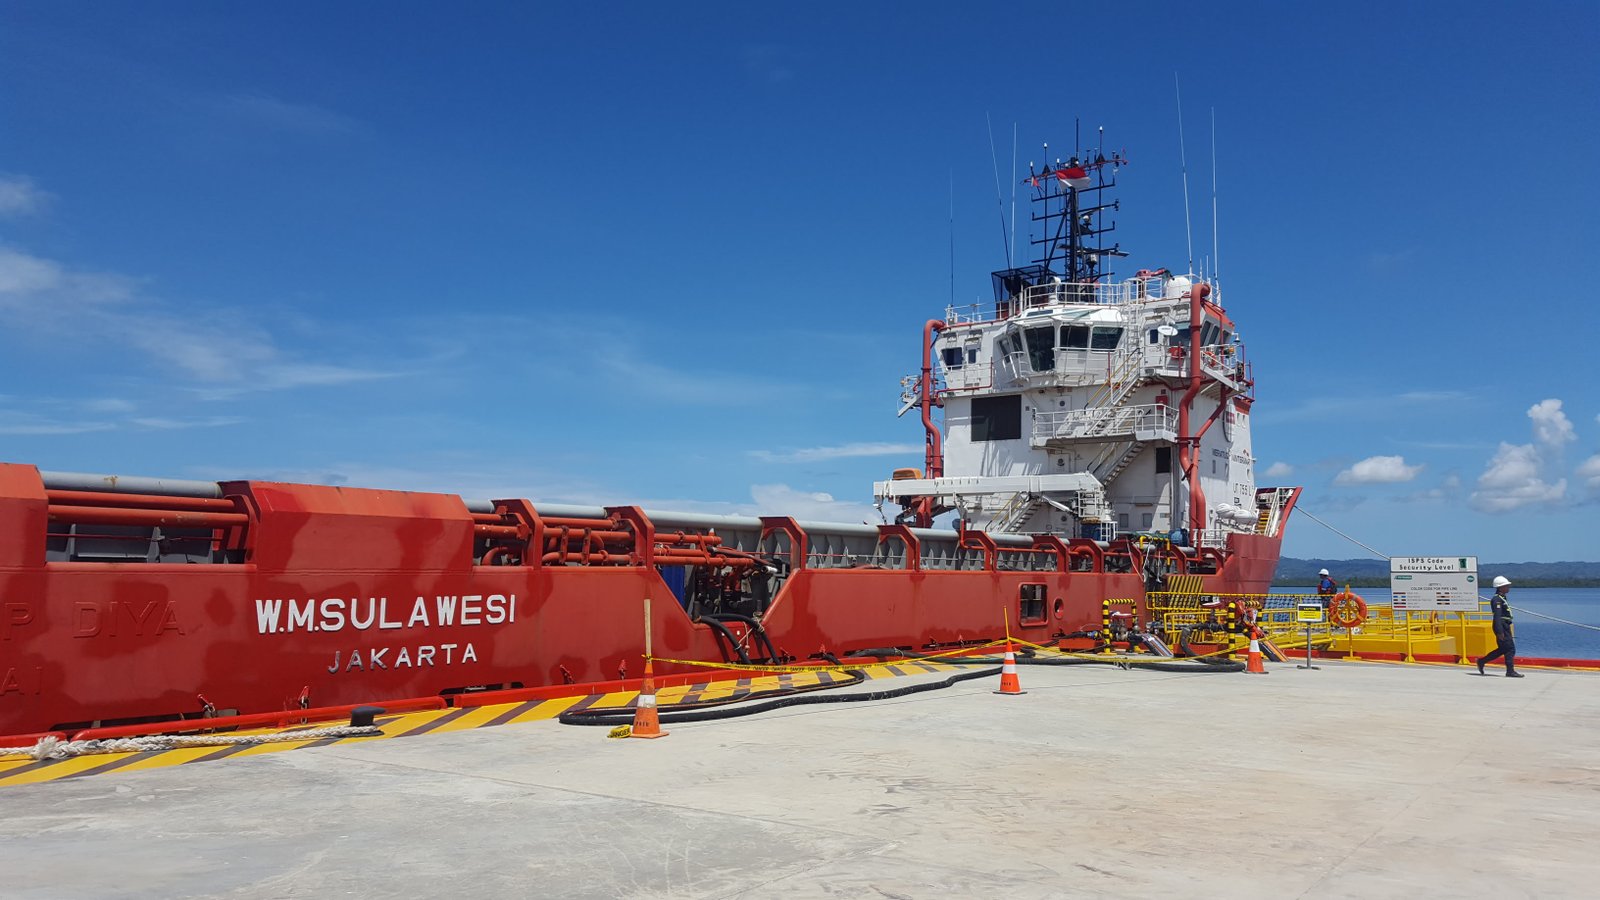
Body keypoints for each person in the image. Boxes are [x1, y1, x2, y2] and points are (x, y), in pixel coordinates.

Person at [1477, 576, 1523, 677]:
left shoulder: (1502, 598)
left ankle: (1482, 661)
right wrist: (1499, 631)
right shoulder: (1497, 600)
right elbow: (1497, 616)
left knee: (1503, 649)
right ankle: (1510, 671)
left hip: (1505, 626)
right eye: (1506, 586)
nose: (1508, 588)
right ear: (1500, 587)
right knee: (1510, 648)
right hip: (1501, 626)